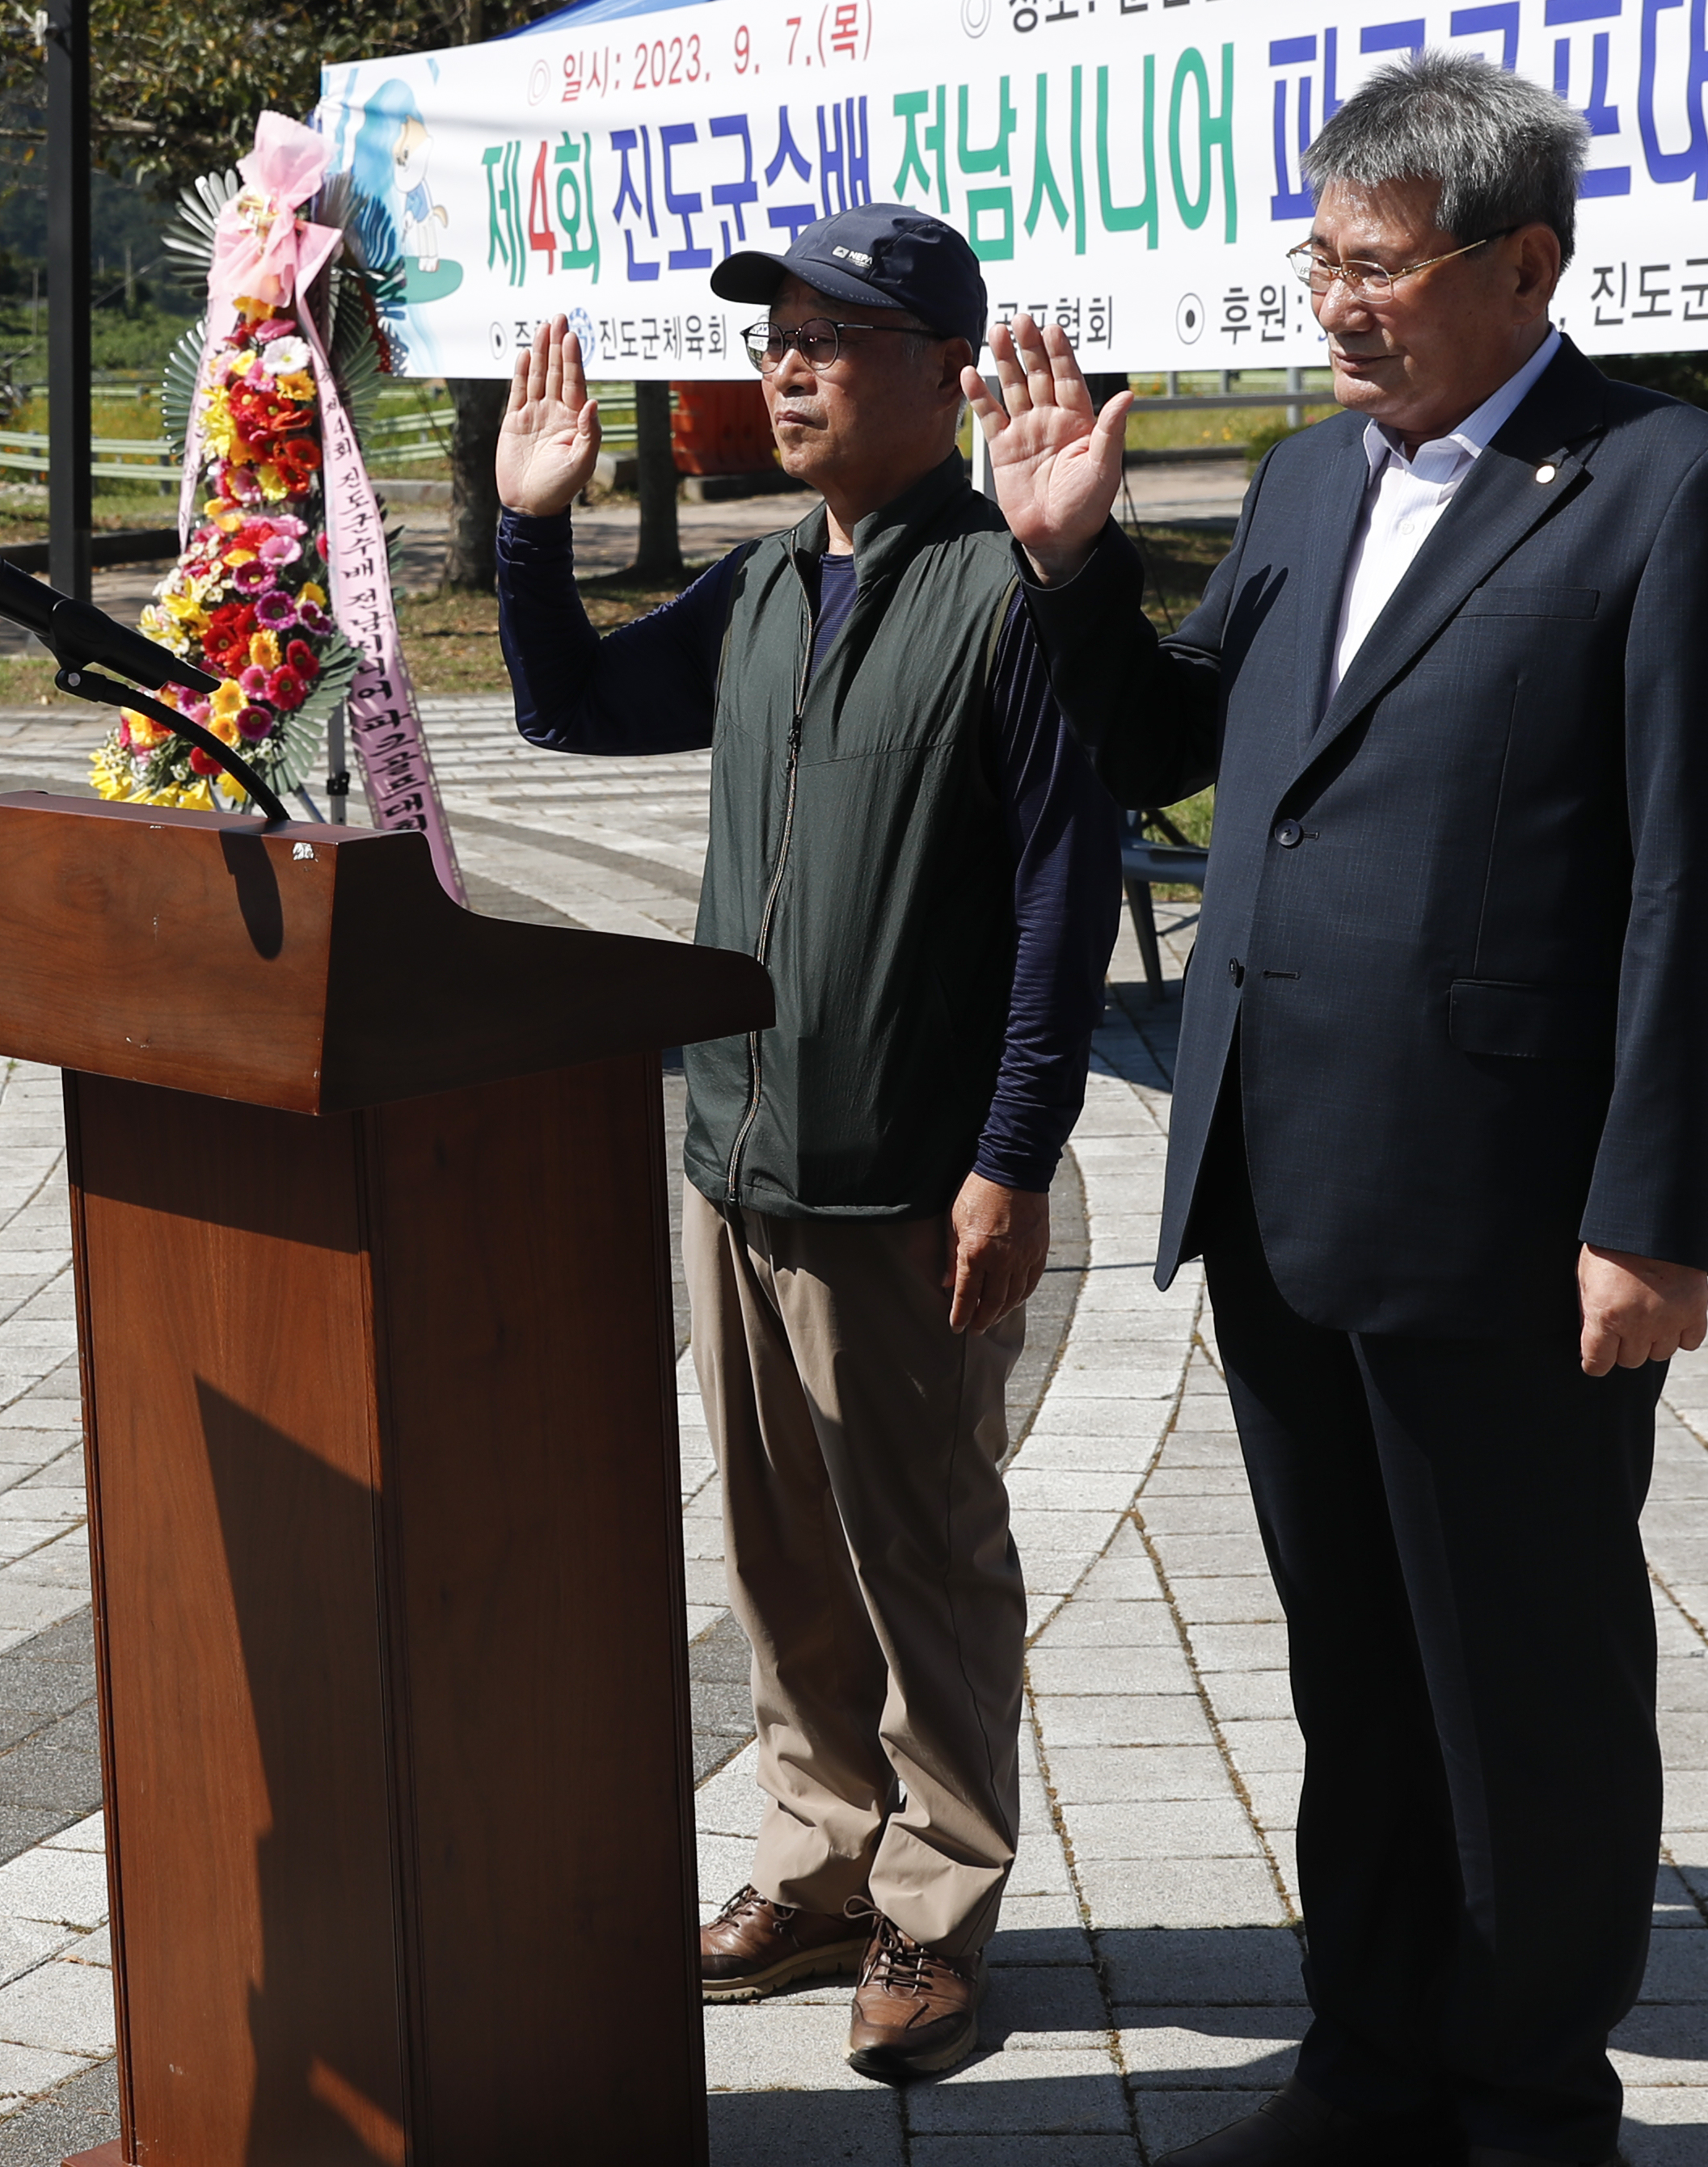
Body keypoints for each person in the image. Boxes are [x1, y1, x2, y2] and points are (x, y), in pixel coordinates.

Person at [976, 51, 1708, 2167]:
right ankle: (1369, 2059)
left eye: (1381, 270)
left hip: (1512, 1217)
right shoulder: (1311, 483)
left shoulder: (1670, 486)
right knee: (1356, 1679)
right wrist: (1069, 572)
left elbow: (1702, 884)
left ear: (1524, 263)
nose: (1338, 310)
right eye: (1320, 263)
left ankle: (1528, 2093)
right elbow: (1178, 741)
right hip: (1277, 1183)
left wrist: (1659, 1215)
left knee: (1521, 1690)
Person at [491, 202, 1120, 2085]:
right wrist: (531, 529)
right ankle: (817, 1859)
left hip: (906, 1184)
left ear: (944, 372)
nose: (785, 360)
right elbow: (565, 703)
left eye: (834, 334)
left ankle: (934, 1909)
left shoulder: (1007, 586)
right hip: (734, 1163)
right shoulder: (770, 587)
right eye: (775, 330)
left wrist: (1011, 1155)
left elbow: (1057, 898)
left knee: (925, 1553)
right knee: (774, 1551)